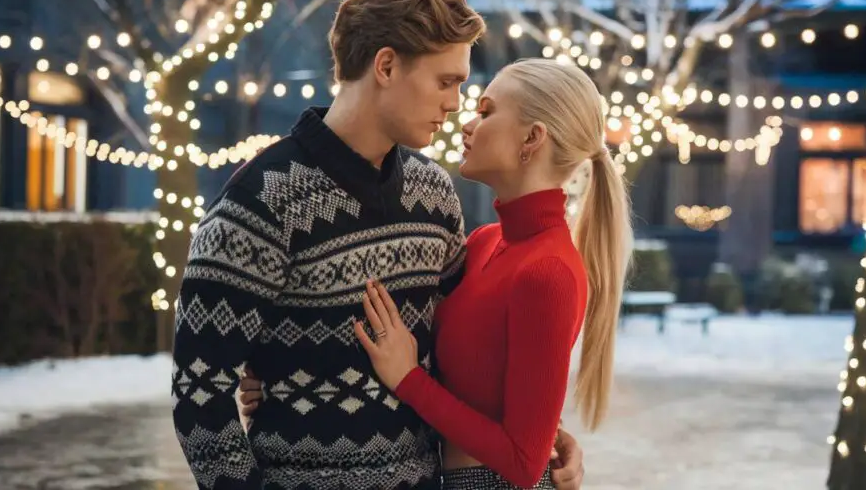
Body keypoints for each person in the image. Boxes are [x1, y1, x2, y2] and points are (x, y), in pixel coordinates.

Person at [171, 0, 585, 490]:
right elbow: (199, 397)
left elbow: (461, 360)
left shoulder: (434, 197)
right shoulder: (261, 199)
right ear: (386, 65)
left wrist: (542, 432)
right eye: (446, 81)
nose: (456, 104)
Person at [240, 58, 633, 488]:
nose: (467, 124)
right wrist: (285, 374)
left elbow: (522, 462)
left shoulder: (549, 272)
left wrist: (408, 379)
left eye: (485, 112)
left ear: (532, 138)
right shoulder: (484, 242)